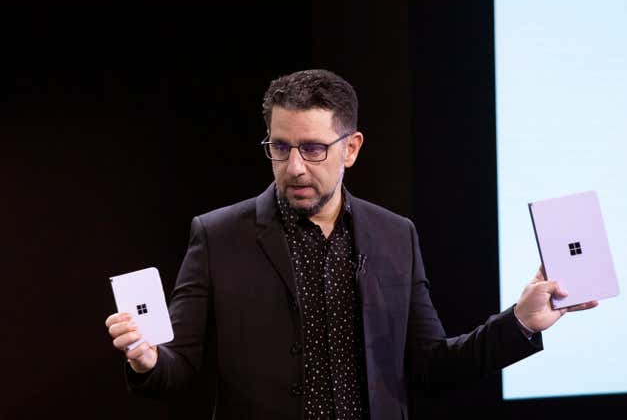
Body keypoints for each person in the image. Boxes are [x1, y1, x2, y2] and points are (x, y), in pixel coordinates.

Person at [105, 69, 597, 420]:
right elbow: (178, 366)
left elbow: (433, 366)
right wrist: (148, 360)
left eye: (314, 149)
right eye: (280, 147)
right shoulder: (217, 236)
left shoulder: (393, 235)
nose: (295, 166)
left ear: (352, 148)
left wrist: (520, 323)